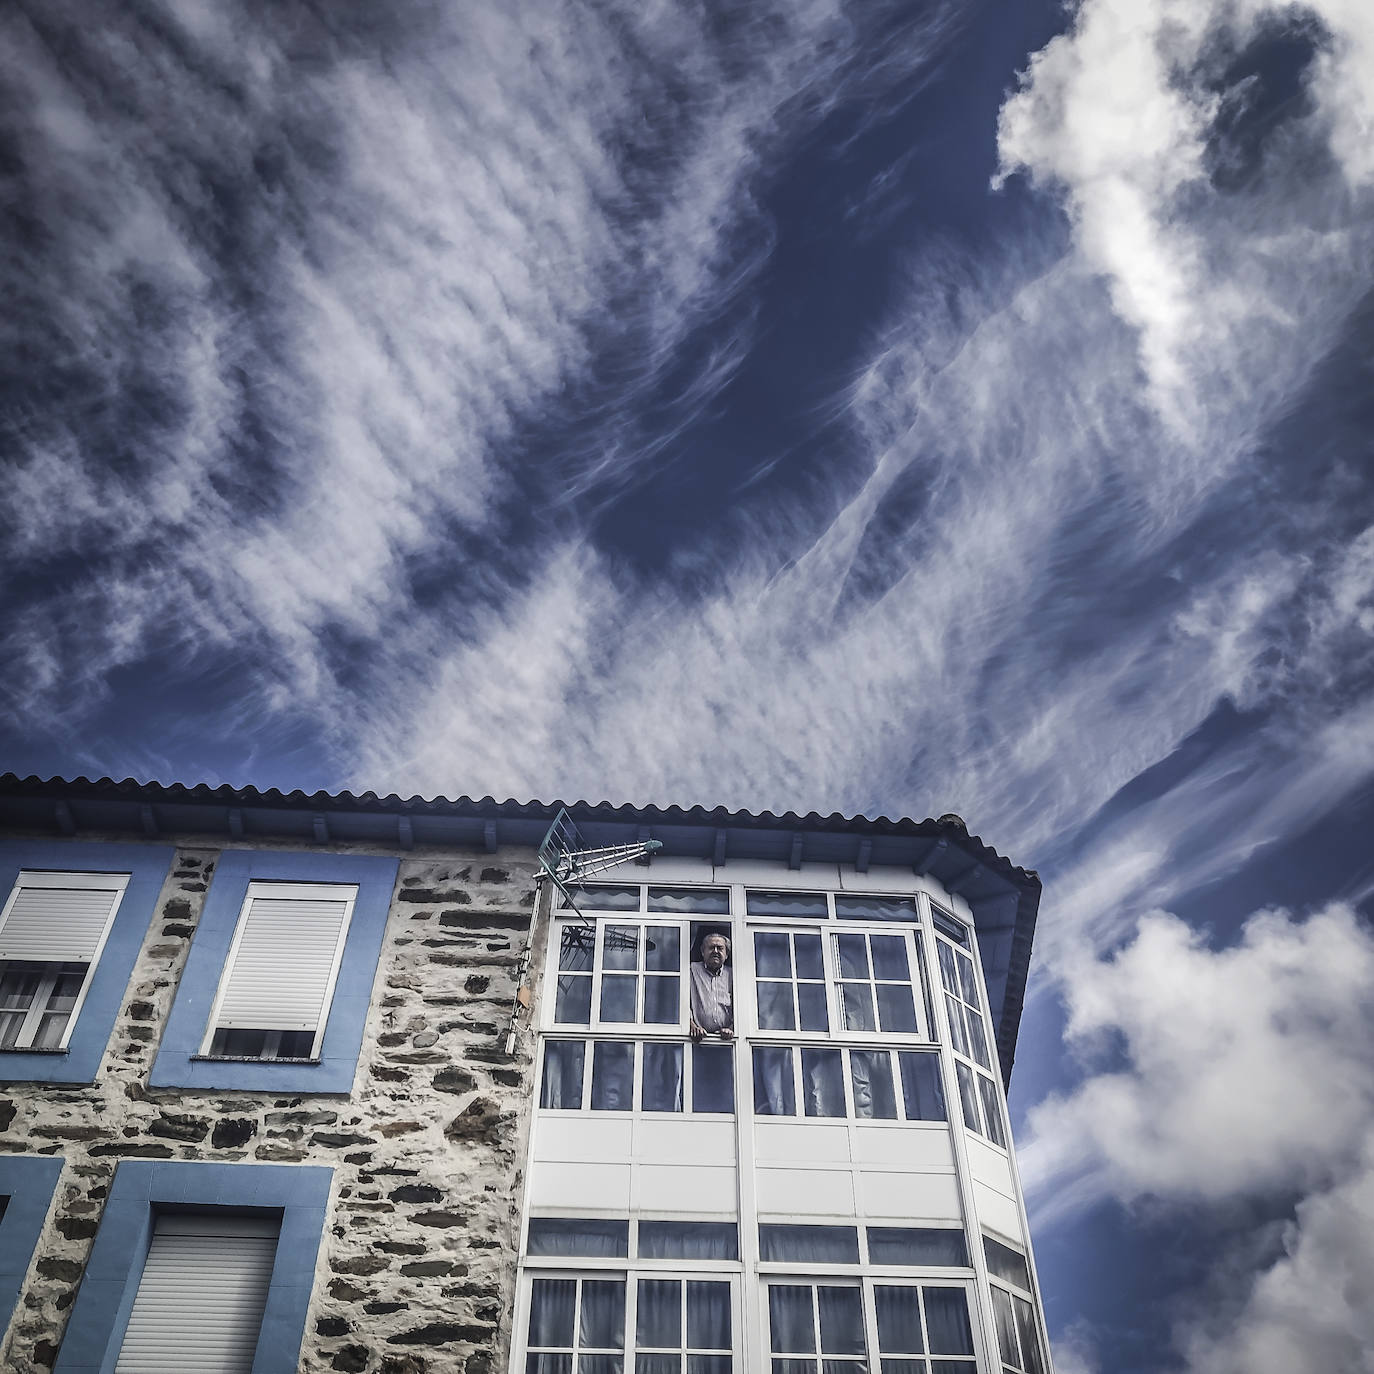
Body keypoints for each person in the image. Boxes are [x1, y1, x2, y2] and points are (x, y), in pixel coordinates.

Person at [689, 932, 734, 1041]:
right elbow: (681, 1002)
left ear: (726, 954)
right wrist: (691, 1025)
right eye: (711, 948)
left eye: (720, 948)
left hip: (728, 1042)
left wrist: (732, 1028)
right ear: (703, 952)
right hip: (696, 1041)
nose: (715, 951)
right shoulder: (691, 970)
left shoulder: (733, 975)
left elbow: (743, 1006)